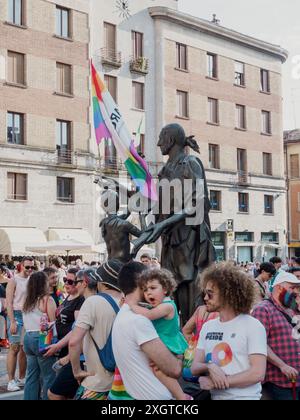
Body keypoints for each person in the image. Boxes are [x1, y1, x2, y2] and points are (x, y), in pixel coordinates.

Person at [132, 124, 215, 324]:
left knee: (190, 290)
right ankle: (176, 336)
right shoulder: (165, 170)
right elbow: (160, 210)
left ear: (170, 140)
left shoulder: (190, 163)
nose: (159, 142)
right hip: (170, 241)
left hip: (189, 240)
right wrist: (149, 229)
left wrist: (162, 224)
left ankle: (192, 338)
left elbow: (197, 203)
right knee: (171, 290)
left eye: (161, 137)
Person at [191, 262, 267, 400]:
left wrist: (216, 383)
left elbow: (258, 373)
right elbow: (195, 366)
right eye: (205, 293)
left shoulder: (252, 325)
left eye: (210, 294)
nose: (205, 298)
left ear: (227, 294)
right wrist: (209, 367)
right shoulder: (208, 327)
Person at [112, 261, 182, 400]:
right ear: (141, 282)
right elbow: (174, 369)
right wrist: (180, 360)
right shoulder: (138, 320)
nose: (149, 291)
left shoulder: (123, 314)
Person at [130, 268, 189, 400]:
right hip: (165, 342)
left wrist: (132, 305)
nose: (148, 292)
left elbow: (149, 315)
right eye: (145, 290)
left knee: (160, 372)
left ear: (165, 289)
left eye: (152, 287)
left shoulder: (167, 306)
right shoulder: (161, 304)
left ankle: (182, 397)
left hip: (169, 344)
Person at [69, 261, 124, 400]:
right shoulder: (129, 302)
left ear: (101, 282)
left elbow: (74, 342)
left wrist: (76, 371)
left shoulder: (93, 302)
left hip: (97, 384)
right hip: (123, 386)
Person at [48, 269, 99, 400]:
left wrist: (70, 362)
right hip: (79, 356)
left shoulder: (87, 303)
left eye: (75, 282)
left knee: (53, 393)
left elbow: (77, 338)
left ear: (84, 283)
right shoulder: (87, 301)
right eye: (66, 280)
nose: (72, 284)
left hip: (81, 358)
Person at [252, 271, 300, 400]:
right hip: (278, 381)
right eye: (292, 287)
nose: (295, 291)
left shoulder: (292, 308)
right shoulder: (263, 309)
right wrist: (282, 365)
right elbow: (259, 344)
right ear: (279, 288)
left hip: (296, 378)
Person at [22, 271, 57, 400]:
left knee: (32, 375)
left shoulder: (27, 300)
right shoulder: (47, 299)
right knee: (48, 375)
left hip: (28, 337)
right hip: (43, 336)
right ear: (43, 283)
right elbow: (52, 322)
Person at [6, 256, 35, 392]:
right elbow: (9, 303)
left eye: (32, 267)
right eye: (27, 266)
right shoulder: (14, 280)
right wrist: (12, 321)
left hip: (28, 314)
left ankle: (22, 377)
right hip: (16, 315)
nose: (30, 269)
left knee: (24, 349)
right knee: (14, 348)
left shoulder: (32, 279)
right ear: (21, 266)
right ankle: (11, 380)